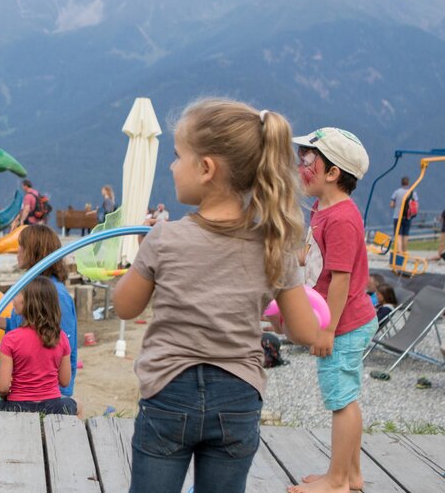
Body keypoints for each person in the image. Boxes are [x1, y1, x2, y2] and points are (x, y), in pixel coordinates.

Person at [112, 100, 320, 493]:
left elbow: (125, 305)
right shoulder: (275, 245)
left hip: (168, 392)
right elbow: (305, 331)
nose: (172, 166)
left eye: (178, 157)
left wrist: (142, 252)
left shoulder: (165, 237)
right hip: (238, 396)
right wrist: (275, 315)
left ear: (206, 169)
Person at [292, 127, 378, 493]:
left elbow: (341, 280)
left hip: (343, 325)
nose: (301, 166)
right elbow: (318, 259)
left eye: (309, 159)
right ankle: (351, 474)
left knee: (341, 401)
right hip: (342, 321)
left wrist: (327, 330)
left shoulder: (342, 218)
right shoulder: (320, 208)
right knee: (345, 396)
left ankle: (338, 480)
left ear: (332, 173)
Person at [0, 224, 78, 395]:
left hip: (47, 393)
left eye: (22, 246)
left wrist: (61, 396)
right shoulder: (33, 286)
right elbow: (32, 325)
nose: (17, 251)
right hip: (26, 388)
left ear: (34, 251)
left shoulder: (55, 294)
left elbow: (60, 345)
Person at [0, 278, 78, 415]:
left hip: (17, 406)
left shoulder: (10, 339)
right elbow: (65, 381)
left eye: (17, 294)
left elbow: (2, 387)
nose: (14, 298)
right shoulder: (61, 337)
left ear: (28, 302)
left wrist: (5, 397)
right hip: (53, 406)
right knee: (77, 406)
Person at [389, 176, 418, 260]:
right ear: (408, 183)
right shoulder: (412, 192)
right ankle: (405, 252)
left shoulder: (397, 192)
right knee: (405, 235)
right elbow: (416, 205)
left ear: (401, 183)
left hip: (397, 216)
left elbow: (391, 204)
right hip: (408, 216)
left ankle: (399, 252)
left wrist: (397, 205)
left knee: (398, 235)